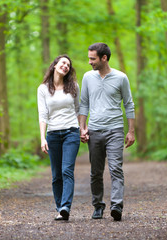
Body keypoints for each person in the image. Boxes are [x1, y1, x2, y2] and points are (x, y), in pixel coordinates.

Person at [79, 43, 135, 221]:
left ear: (104, 58)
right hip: (94, 130)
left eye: (92, 58)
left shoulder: (121, 78)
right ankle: (98, 205)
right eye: (89, 58)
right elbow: (84, 104)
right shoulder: (87, 77)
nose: (90, 62)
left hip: (115, 130)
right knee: (96, 172)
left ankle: (116, 205)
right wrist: (83, 127)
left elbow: (129, 104)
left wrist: (131, 131)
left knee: (116, 168)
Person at [37, 55, 80, 221]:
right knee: (56, 175)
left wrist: (81, 129)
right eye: (63, 63)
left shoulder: (74, 86)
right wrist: (43, 138)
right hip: (53, 134)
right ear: (55, 65)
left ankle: (65, 207)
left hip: (71, 132)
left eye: (68, 65)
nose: (66, 66)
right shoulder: (43, 89)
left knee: (67, 170)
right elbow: (43, 114)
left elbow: (78, 110)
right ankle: (59, 208)